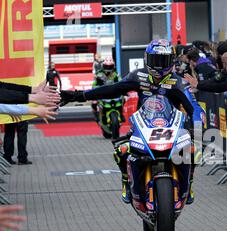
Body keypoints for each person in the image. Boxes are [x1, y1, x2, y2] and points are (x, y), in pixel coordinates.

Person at [61, 39, 205, 205]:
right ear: (147, 59)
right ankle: (126, 182)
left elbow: (194, 107)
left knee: (193, 151)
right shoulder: (138, 76)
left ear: (171, 61)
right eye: (155, 60)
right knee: (121, 150)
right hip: (143, 127)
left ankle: (189, 183)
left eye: (163, 61)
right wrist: (79, 95)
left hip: (173, 129)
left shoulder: (179, 82)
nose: (159, 65)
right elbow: (113, 89)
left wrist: (197, 129)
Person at [91, 57, 121, 123]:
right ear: (103, 66)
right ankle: (96, 117)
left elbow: (121, 82)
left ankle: (121, 114)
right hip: (102, 93)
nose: (108, 68)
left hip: (113, 93)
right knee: (94, 102)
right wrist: (95, 88)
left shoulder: (116, 74)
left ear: (113, 66)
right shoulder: (98, 74)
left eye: (110, 66)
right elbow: (94, 84)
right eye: (106, 66)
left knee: (124, 97)